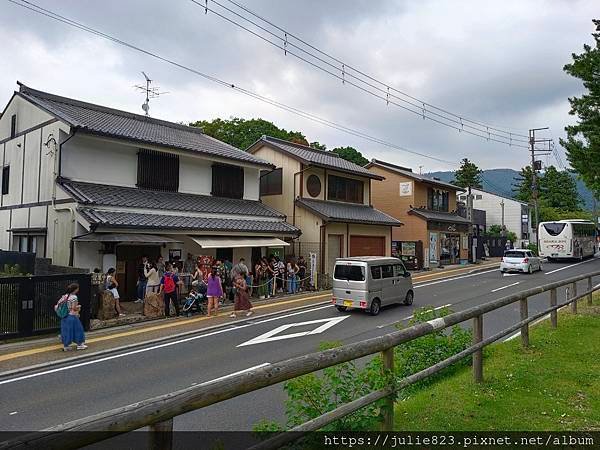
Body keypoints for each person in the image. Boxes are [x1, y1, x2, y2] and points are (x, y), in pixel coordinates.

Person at [55, 283, 87, 351]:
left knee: (66, 331)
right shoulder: (74, 297)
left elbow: (57, 306)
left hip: (64, 316)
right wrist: (79, 307)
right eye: (78, 288)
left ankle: (66, 346)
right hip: (72, 316)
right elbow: (74, 308)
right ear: (75, 289)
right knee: (78, 330)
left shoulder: (64, 296)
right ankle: (80, 345)